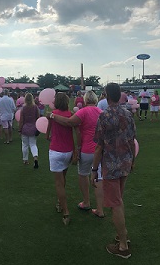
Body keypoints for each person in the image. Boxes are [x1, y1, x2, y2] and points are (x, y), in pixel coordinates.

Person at [92, 83, 136, 259]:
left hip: (111, 166)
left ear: (107, 96)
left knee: (116, 203)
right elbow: (132, 140)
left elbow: (99, 147)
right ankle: (121, 235)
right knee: (118, 200)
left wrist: (94, 169)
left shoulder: (105, 116)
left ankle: (123, 246)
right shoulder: (128, 114)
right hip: (125, 162)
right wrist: (133, 160)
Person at [50, 91, 102, 215]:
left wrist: (52, 116)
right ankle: (100, 209)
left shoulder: (83, 112)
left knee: (83, 175)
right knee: (98, 178)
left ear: (84, 100)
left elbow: (69, 122)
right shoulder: (101, 112)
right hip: (100, 149)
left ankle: (86, 202)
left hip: (87, 149)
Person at [47, 93, 77, 225]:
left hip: (56, 150)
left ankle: (65, 212)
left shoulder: (52, 114)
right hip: (68, 151)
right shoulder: (70, 114)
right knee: (63, 179)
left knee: (59, 183)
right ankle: (60, 202)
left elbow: (47, 135)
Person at [18, 93, 40, 169]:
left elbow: (21, 120)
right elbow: (38, 118)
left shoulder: (23, 108)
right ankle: (35, 158)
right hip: (33, 128)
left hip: (25, 128)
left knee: (25, 145)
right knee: (33, 144)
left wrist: (19, 129)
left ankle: (25, 159)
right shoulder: (35, 107)